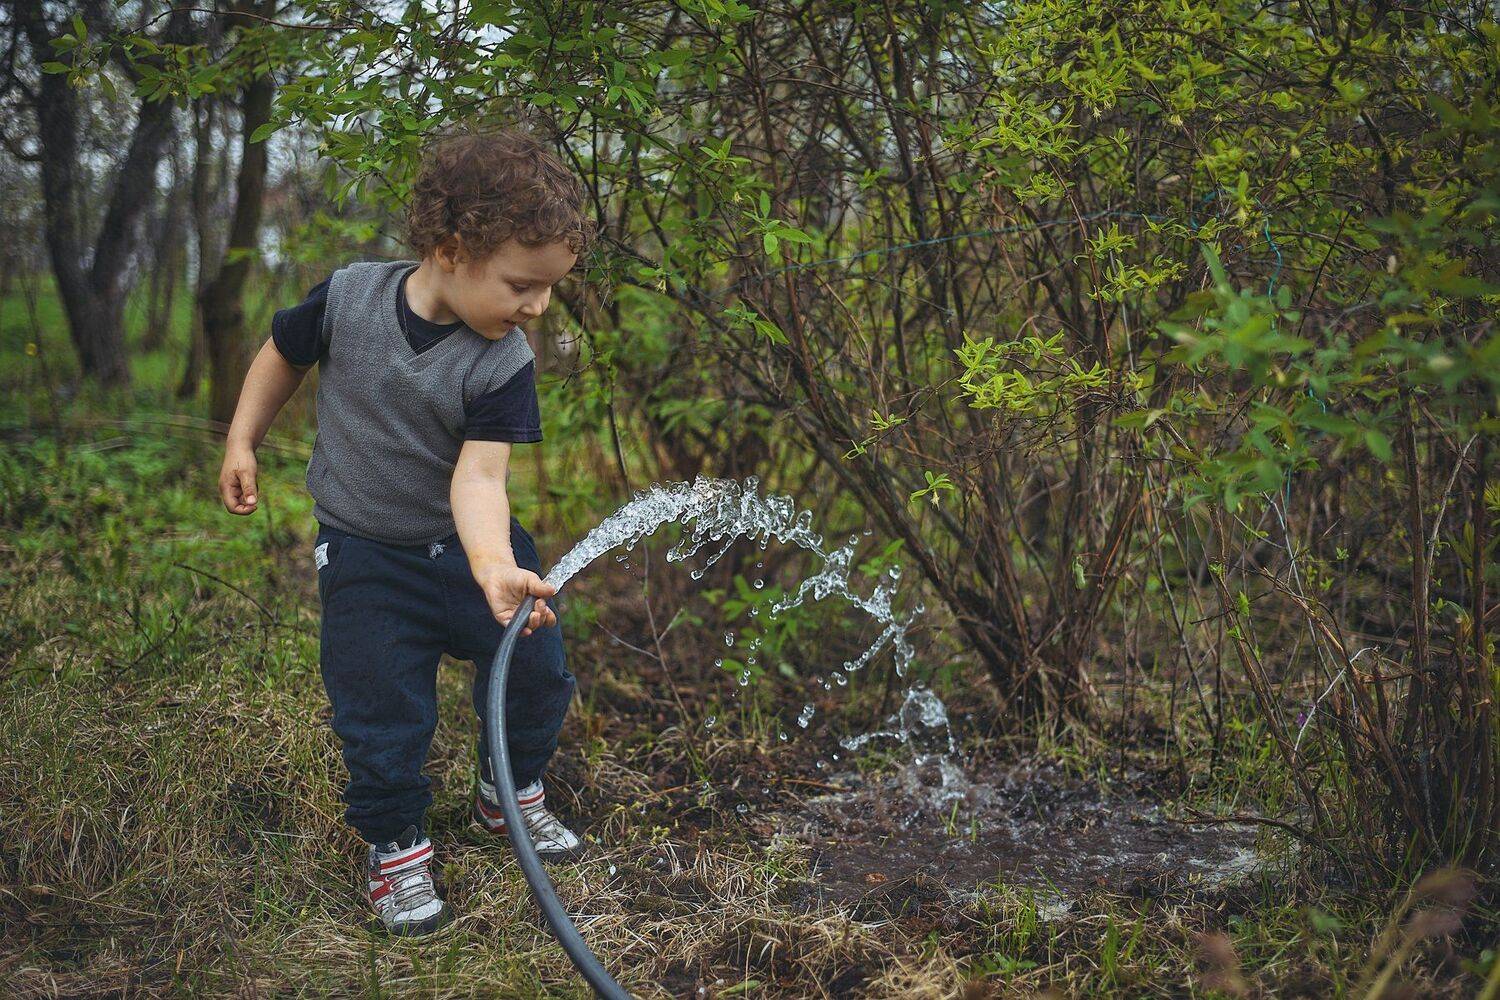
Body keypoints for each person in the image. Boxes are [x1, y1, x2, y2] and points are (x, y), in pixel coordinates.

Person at [217, 128, 596, 937]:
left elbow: (481, 476)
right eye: (523, 286)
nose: (538, 307)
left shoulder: (504, 362)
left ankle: (510, 791)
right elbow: (282, 353)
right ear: (453, 250)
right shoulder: (349, 298)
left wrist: (493, 565)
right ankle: (396, 847)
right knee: (380, 705)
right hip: (366, 556)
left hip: (471, 548)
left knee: (533, 666)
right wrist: (243, 438)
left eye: (550, 289)